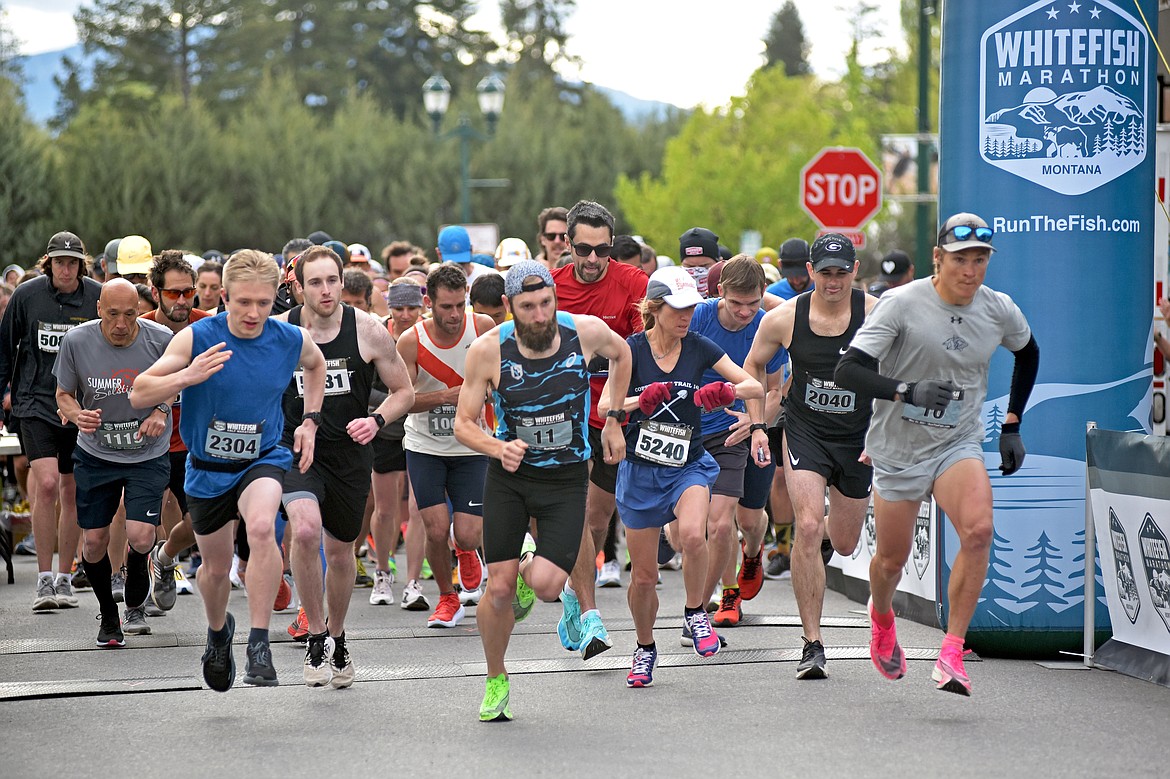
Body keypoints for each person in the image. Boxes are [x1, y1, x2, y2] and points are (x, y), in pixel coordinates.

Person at [835, 213, 1039, 695]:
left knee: (979, 529)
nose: (970, 271)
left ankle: (951, 651)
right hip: (899, 447)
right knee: (890, 561)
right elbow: (849, 371)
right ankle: (881, 617)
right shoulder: (900, 305)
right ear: (938, 259)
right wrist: (908, 390)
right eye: (961, 260)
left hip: (957, 442)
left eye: (980, 260)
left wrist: (1012, 422)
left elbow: (1028, 353)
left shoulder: (998, 309)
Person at [130, 249, 327, 692]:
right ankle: (219, 634)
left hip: (263, 458)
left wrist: (310, 422)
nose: (253, 313)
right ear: (224, 295)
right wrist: (187, 377)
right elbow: (140, 393)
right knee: (215, 571)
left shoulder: (289, 338)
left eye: (262, 302)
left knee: (261, 529)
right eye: (243, 303)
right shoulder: (198, 338)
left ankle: (260, 643)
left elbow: (316, 367)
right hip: (207, 466)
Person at [455, 260, 631, 719]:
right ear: (510, 306)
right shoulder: (488, 350)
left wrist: (612, 417)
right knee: (497, 591)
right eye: (527, 306)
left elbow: (623, 354)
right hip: (510, 480)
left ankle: (529, 558)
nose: (538, 315)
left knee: (550, 587)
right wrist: (496, 447)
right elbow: (463, 424)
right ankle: (496, 678)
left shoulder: (585, 332)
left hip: (566, 479)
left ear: (555, 299)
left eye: (546, 303)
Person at [601, 266, 762, 686]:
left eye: (691, 307)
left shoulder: (699, 346)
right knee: (645, 576)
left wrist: (724, 392)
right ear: (654, 308)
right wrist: (638, 400)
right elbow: (605, 406)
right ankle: (644, 647)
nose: (686, 315)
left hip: (687, 463)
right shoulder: (630, 350)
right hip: (641, 468)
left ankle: (695, 613)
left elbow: (754, 387)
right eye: (677, 308)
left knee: (694, 535)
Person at [276, 245, 414, 688]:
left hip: (349, 456)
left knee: (340, 554)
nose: (326, 290)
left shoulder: (368, 330)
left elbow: (403, 393)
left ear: (342, 280)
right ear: (298, 286)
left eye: (332, 280)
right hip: (297, 450)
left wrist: (376, 421)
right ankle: (314, 634)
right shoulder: (281, 332)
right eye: (315, 282)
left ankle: (336, 636)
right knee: (303, 528)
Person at [745, 233, 878, 679]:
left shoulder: (875, 314)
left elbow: (901, 370)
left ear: (854, 271)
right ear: (810, 272)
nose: (833, 282)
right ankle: (812, 643)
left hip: (857, 437)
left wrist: (884, 432)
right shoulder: (785, 318)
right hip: (805, 431)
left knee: (843, 542)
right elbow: (753, 366)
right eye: (825, 273)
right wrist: (759, 424)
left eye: (842, 273)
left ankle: (814, 543)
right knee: (806, 524)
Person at [550, 199, 649, 660]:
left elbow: (639, 349)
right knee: (574, 513)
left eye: (602, 250)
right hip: (565, 415)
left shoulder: (633, 284)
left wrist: (616, 412)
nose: (592, 260)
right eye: (583, 250)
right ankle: (590, 615)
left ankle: (572, 594)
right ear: (566, 245)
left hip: (615, 413)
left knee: (596, 517)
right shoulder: (549, 288)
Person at [54, 279, 174, 645]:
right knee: (93, 543)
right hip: (96, 452)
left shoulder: (160, 339)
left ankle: (138, 562)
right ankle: (109, 614)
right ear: (98, 311)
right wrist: (77, 416)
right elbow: (63, 394)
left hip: (146, 451)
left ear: (139, 311)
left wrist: (161, 409)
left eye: (130, 314)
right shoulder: (76, 341)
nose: (121, 324)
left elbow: (177, 382)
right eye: (112, 315)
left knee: (140, 535)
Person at [0, 231, 101, 611]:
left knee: (71, 490)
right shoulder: (27, 296)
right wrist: (3, 398)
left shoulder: (95, 296)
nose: (65, 268)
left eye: (71, 262)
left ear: (80, 265)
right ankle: (44, 581)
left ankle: (64, 575)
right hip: (35, 403)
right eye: (58, 261)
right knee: (45, 484)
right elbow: (5, 347)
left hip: (80, 407)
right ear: (48, 263)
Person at [688, 255, 786, 634]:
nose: (745, 312)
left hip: (748, 427)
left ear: (764, 294)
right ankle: (728, 593)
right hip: (699, 433)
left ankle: (754, 551)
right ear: (719, 293)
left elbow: (775, 388)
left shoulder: (766, 325)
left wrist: (756, 420)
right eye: (736, 303)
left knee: (748, 519)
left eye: (753, 303)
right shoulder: (699, 317)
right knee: (718, 523)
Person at [397, 264, 497, 627]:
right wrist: (448, 396)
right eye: (446, 307)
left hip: (472, 446)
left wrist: (484, 392)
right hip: (425, 446)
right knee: (436, 528)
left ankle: (467, 551)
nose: (455, 315)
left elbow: (500, 378)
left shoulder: (483, 327)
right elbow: (403, 398)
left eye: (460, 305)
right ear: (429, 302)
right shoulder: (411, 341)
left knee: (467, 532)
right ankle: (447, 597)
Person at [140, 250, 213, 612]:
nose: (183, 300)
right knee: (137, 526)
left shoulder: (207, 326)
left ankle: (165, 557)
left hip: (191, 442)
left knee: (199, 522)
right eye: (173, 293)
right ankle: (132, 600)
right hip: (145, 443)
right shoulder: (137, 329)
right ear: (156, 293)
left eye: (188, 292)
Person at [437, 225, 497, 293]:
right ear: (439, 253)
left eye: (462, 263)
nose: (458, 270)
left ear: (471, 250)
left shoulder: (492, 278)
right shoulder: (434, 283)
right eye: (452, 265)